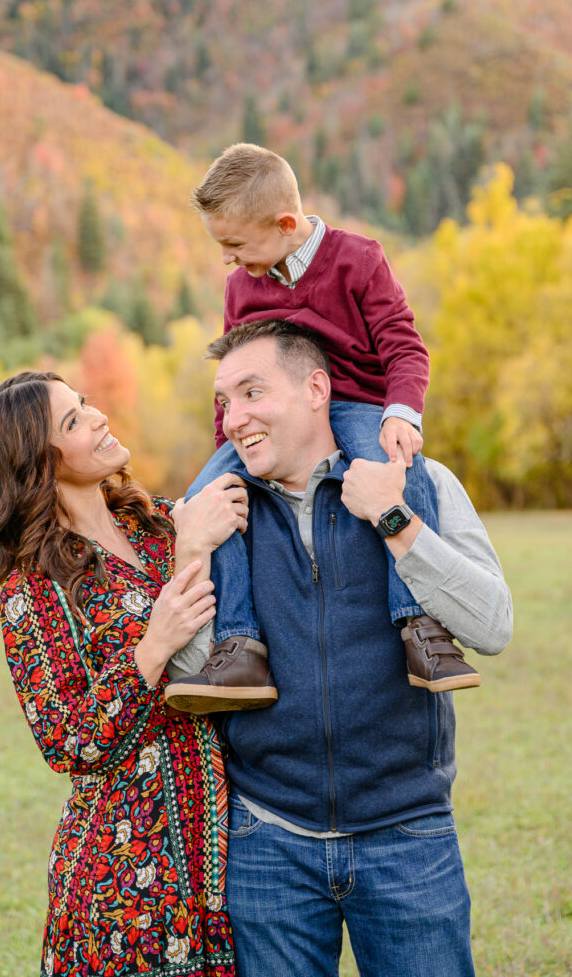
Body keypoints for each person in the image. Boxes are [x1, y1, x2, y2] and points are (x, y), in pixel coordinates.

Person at [166, 320, 512, 977]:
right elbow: (189, 675)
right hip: (268, 840)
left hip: (410, 835)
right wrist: (191, 550)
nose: (233, 420)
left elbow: (493, 626)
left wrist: (394, 519)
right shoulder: (215, 513)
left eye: (251, 393)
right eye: (224, 402)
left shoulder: (420, 484)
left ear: (316, 388)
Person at [167, 142, 479, 714]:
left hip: (359, 404)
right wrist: (229, 445)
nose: (228, 261)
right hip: (279, 414)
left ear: (286, 224)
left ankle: (421, 628)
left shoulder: (357, 259)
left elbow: (403, 345)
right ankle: (240, 644)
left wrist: (401, 413)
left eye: (235, 245)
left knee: (393, 472)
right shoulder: (242, 288)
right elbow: (235, 371)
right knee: (209, 496)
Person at [0, 370, 246, 977]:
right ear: (39, 463)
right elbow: (66, 742)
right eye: (73, 421)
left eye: (85, 404)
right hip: (127, 876)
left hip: (223, 845)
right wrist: (152, 649)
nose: (97, 417)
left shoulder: (159, 525)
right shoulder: (32, 585)